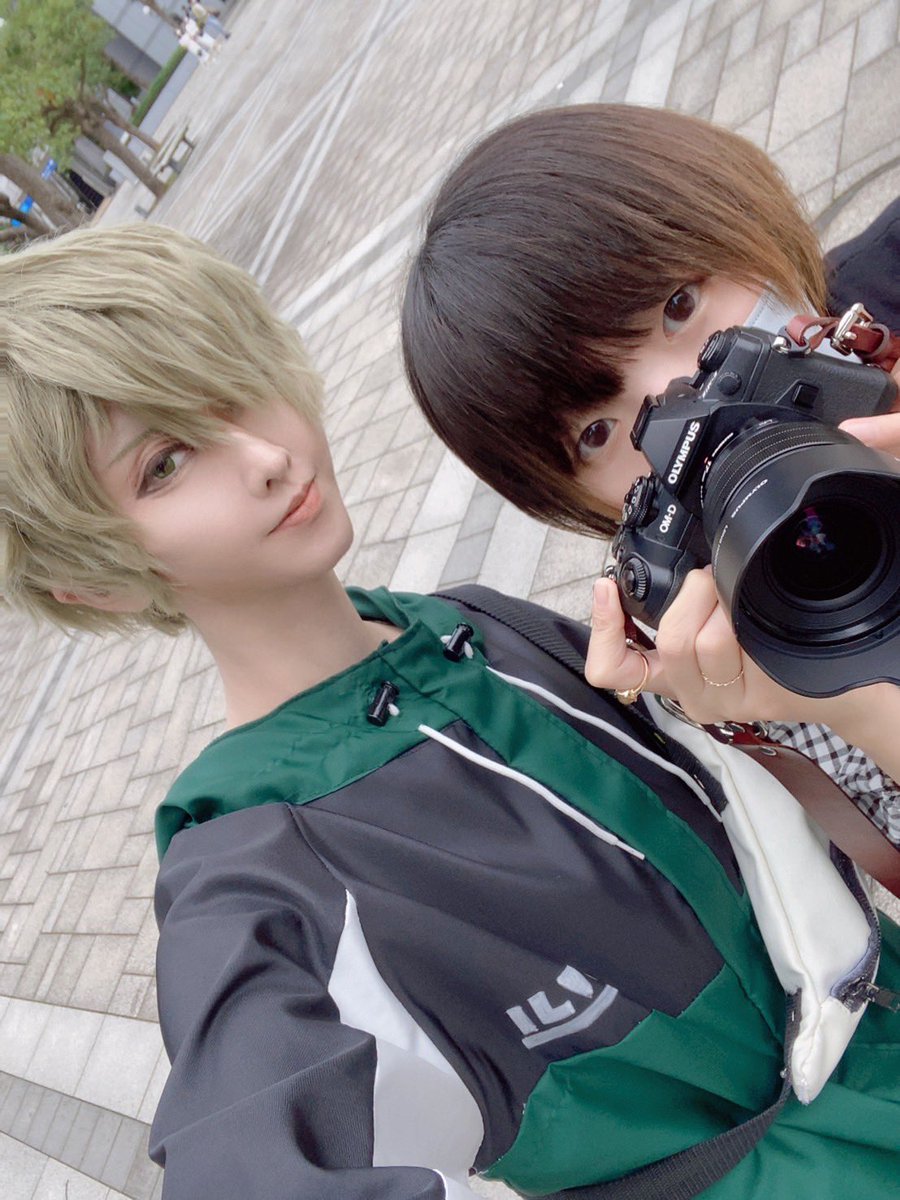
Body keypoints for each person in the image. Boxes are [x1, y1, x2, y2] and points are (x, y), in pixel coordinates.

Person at [1, 224, 898, 1200]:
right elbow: (251, 1141)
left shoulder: (467, 621)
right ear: (91, 580)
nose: (262, 455)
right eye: (165, 465)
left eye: (233, 387)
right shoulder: (257, 880)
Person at [401, 102, 900, 848]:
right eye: (597, 433)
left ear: (735, 209)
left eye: (679, 306)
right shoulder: (726, 633)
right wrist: (833, 697)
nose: (681, 400)